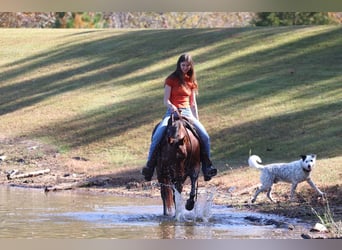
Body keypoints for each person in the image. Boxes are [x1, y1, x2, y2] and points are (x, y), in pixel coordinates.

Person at [142, 53, 217, 181]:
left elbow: (193, 103)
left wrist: (197, 119)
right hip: (172, 113)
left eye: (188, 65)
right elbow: (166, 100)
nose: (185, 67)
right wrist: (173, 108)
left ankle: (207, 167)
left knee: (205, 136)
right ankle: (150, 165)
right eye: (183, 65)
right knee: (158, 134)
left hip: (187, 113)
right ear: (179, 65)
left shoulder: (191, 80)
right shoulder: (171, 79)